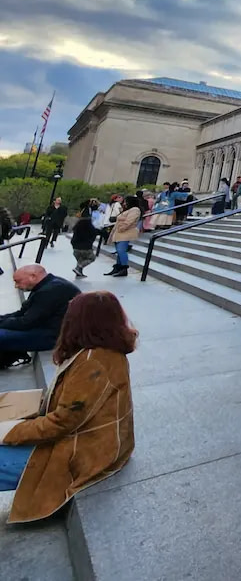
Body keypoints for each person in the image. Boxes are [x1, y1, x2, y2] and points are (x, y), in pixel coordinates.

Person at [0, 290, 137, 523]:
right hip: (96, 441)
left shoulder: (93, 361)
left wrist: (8, 432)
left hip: (83, 451)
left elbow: (63, 422)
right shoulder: (101, 352)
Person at [0, 265, 81, 370]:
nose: (16, 286)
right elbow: (22, 313)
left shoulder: (50, 290)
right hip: (48, 329)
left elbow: (26, 322)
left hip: (54, 336)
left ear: (33, 276)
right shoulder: (47, 285)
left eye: (18, 281)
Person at [104, 196, 141, 278]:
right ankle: (118, 267)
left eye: (126, 202)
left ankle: (124, 268)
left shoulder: (135, 210)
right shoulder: (128, 210)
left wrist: (122, 228)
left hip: (126, 232)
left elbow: (130, 221)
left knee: (121, 250)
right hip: (119, 232)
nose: (124, 203)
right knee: (119, 251)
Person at [70, 205, 101, 279]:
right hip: (86, 248)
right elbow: (95, 233)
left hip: (75, 248)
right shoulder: (90, 227)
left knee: (80, 259)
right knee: (91, 258)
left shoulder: (77, 226)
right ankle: (79, 267)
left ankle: (79, 272)